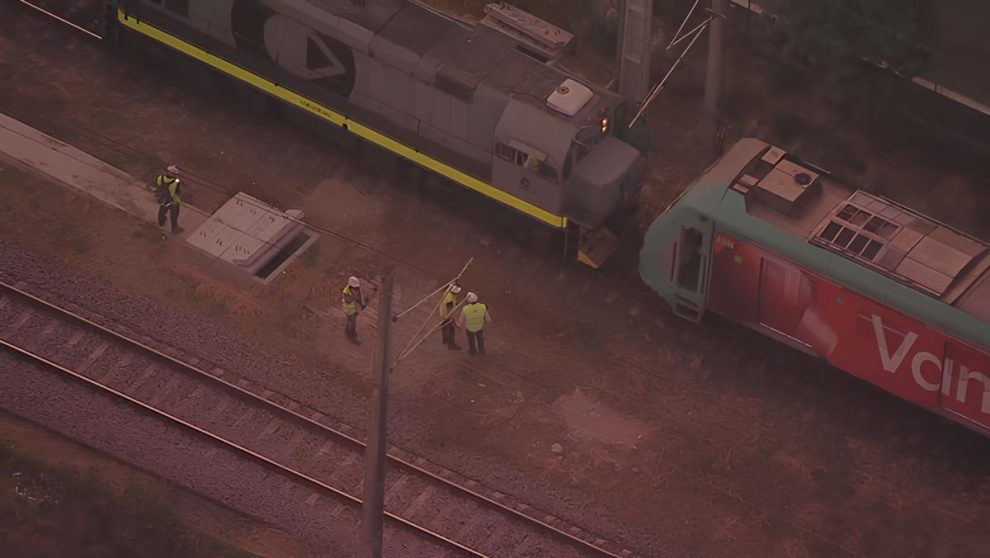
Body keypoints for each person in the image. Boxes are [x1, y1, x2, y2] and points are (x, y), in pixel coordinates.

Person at [455, 291, 492, 356]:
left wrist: (457, 324)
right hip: (479, 326)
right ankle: (482, 351)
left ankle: (472, 351)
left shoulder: (465, 309)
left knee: (471, 340)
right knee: (480, 339)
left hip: (470, 328)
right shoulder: (483, 306)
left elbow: (460, 321)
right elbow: (488, 319)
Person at [155, 165, 183, 236]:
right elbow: (178, 191)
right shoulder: (176, 181)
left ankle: (161, 223)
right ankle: (174, 229)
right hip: (173, 200)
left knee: (162, 211)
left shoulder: (160, 178)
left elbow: (158, 186)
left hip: (164, 199)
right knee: (174, 215)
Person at [342, 276, 367, 343]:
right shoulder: (346, 292)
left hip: (353, 307)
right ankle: (352, 335)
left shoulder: (354, 289)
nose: (356, 289)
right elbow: (348, 300)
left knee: (350, 319)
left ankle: (347, 330)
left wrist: (361, 303)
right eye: (355, 287)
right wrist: (354, 297)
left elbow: (359, 297)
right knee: (352, 321)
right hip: (348, 308)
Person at [438, 283, 462, 350]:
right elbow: (450, 311)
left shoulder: (448, 292)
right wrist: (455, 321)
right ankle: (451, 345)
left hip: (443, 312)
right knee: (451, 329)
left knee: (444, 326)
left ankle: (445, 339)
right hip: (447, 314)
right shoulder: (450, 300)